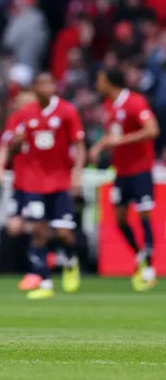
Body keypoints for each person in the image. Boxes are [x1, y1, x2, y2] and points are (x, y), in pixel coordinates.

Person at [9, 72, 85, 300]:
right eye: (41, 84)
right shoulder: (25, 114)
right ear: (34, 88)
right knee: (38, 232)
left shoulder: (67, 111)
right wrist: (16, 144)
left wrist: (77, 174)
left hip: (60, 181)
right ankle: (46, 281)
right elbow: (13, 148)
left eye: (49, 83)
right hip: (34, 183)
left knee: (63, 234)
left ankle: (71, 260)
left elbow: (79, 144)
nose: (45, 88)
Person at [90, 68, 159, 291]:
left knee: (144, 214)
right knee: (119, 218)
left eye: (100, 79)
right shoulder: (109, 107)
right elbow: (113, 136)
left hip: (141, 169)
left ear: (109, 82)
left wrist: (121, 141)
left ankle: (148, 266)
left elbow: (152, 130)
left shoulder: (135, 102)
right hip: (121, 171)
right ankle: (140, 254)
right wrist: (100, 146)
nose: (97, 84)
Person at [0, 91, 40, 290]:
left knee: (38, 226)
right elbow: (5, 145)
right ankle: (34, 267)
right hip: (21, 182)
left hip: (41, 182)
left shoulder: (43, 120)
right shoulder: (16, 120)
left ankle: (38, 270)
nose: (21, 107)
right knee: (14, 227)